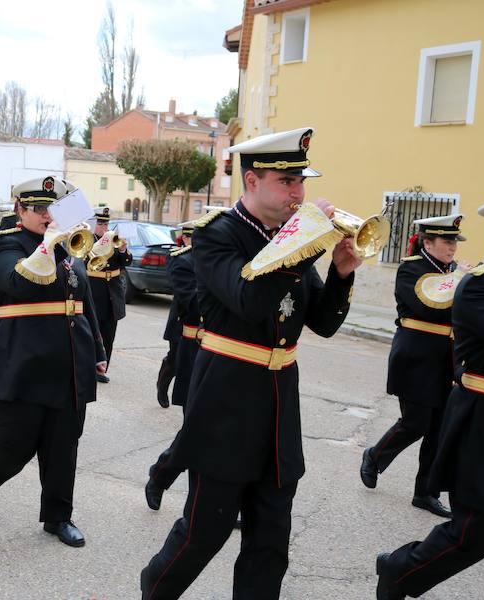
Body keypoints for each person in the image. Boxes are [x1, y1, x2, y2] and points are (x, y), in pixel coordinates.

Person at [140, 128, 361, 600]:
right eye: (287, 182)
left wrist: (341, 273)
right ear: (253, 181)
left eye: (301, 182)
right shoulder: (218, 236)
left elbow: (321, 322)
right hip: (226, 404)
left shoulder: (292, 237)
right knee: (203, 535)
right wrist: (303, 242)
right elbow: (249, 300)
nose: (298, 193)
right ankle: (153, 590)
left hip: (280, 409)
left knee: (270, 546)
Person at [0, 176, 107, 548]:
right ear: (20, 210)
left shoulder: (69, 247)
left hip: (68, 361)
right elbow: (15, 284)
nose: (47, 216)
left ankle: (58, 516)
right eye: (39, 210)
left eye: (52, 209)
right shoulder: (6, 244)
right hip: (20, 362)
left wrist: (98, 350)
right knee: (16, 442)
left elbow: (82, 300)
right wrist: (47, 244)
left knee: (64, 443)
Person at [375, 201, 484, 600]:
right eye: (445, 241)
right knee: (472, 534)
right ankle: (400, 571)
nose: (451, 247)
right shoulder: (481, 283)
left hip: (453, 377)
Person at [360, 215, 466, 519]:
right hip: (416, 357)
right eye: (446, 242)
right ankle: (375, 455)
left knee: (438, 429)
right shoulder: (411, 268)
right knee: (416, 422)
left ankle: (425, 492)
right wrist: (460, 281)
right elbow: (425, 304)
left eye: (454, 242)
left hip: (445, 359)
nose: (452, 248)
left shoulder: (452, 271)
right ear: (428, 242)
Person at [144, 213, 226, 511]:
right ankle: (161, 476)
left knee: (225, 432)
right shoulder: (183, 261)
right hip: (197, 348)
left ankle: (221, 501)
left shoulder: (227, 261)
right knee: (197, 428)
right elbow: (191, 304)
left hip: (228, 352)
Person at [86, 206, 132, 383]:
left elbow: (126, 262)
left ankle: (102, 369)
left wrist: (122, 250)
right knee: (91, 332)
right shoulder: (86, 239)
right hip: (93, 289)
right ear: (93, 223)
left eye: (106, 224)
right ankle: (89, 366)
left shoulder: (113, 238)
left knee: (108, 332)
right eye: (100, 223)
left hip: (112, 292)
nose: (104, 227)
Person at [155, 227, 190, 408]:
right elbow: (176, 286)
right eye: (189, 237)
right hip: (180, 319)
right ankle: (163, 384)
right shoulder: (177, 257)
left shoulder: (204, 257)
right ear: (183, 238)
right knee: (176, 359)